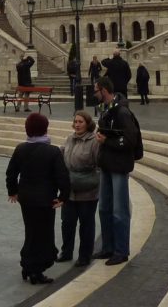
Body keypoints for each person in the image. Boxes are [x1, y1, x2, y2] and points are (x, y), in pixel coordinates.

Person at [6, 113, 70, 285]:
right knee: (44, 234)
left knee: (31, 231)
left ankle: (27, 265)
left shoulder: (21, 149)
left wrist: (13, 191)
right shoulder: (52, 151)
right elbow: (62, 176)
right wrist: (63, 196)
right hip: (45, 199)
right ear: (45, 129)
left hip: (26, 198)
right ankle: (36, 271)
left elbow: (11, 173)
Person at [93, 76, 140, 266]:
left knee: (119, 209)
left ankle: (121, 250)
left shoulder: (122, 112)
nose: (94, 94)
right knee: (104, 207)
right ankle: (108, 247)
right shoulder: (105, 111)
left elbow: (131, 140)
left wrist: (107, 141)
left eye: (96, 90)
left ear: (104, 90)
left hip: (119, 166)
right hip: (106, 164)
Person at [58, 110, 100, 267]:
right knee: (67, 222)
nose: (77, 125)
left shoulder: (94, 141)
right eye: (75, 122)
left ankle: (84, 256)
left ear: (88, 124)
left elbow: (99, 164)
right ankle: (66, 252)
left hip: (87, 190)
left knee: (86, 225)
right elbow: (62, 155)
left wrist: (92, 178)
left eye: (80, 122)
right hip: (70, 190)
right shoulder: (70, 138)